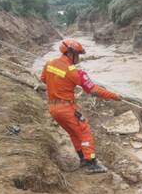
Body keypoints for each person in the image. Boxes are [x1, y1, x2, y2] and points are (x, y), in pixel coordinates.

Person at [41, 39, 121, 174]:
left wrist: (60, 86)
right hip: (66, 108)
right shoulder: (75, 72)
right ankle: (91, 163)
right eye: (78, 54)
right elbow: (93, 89)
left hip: (53, 109)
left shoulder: (49, 64)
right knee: (85, 133)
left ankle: (83, 158)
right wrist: (114, 96)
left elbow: (44, 79)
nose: (78, 57)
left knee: (73, 133)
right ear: (71, 53)